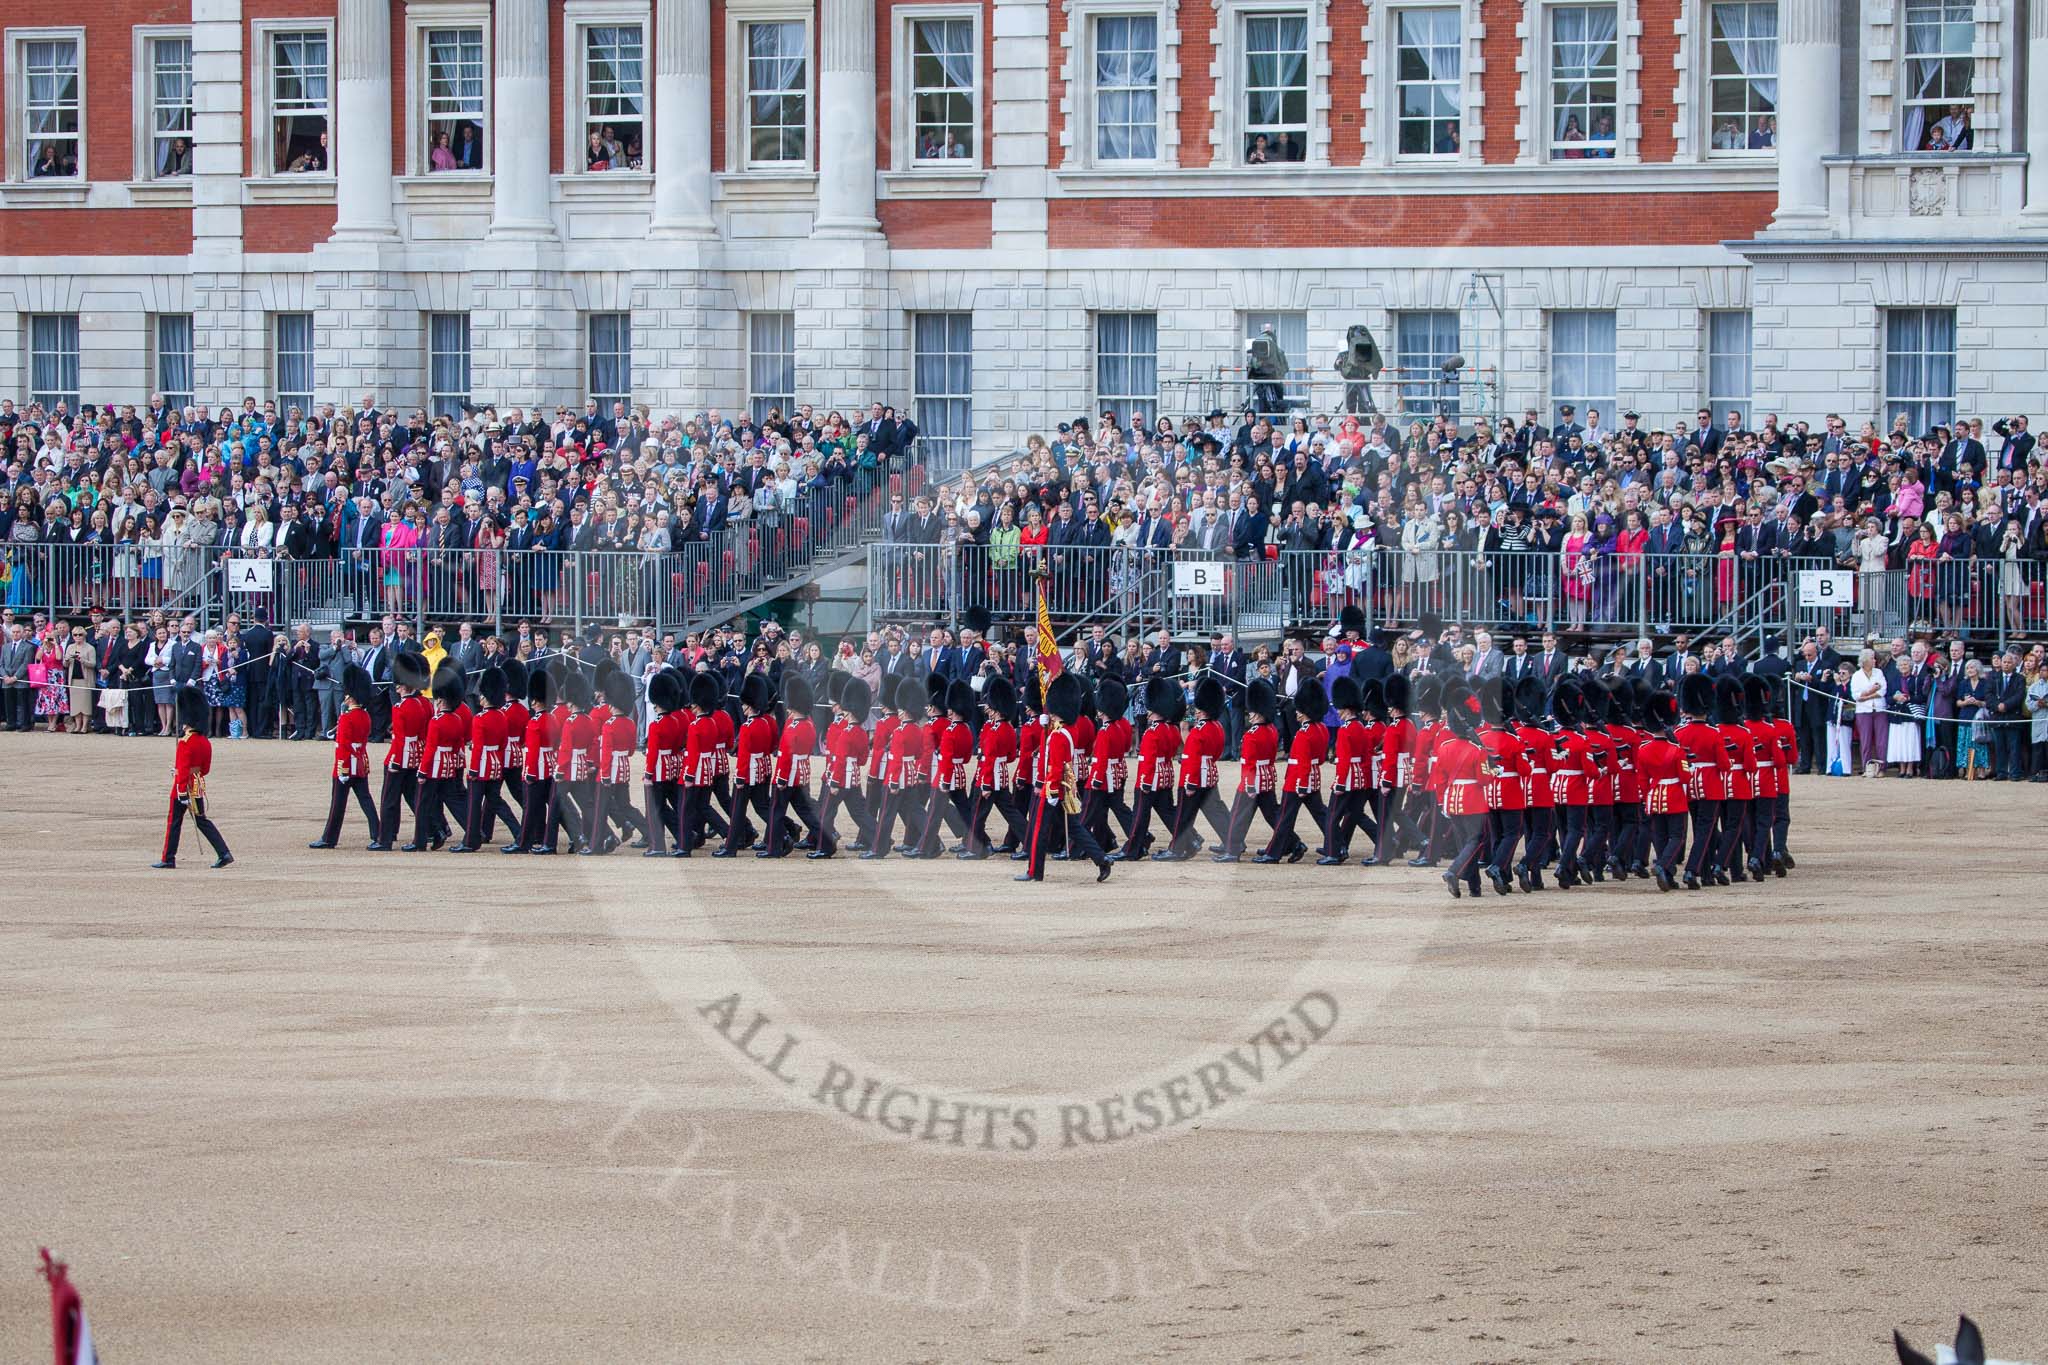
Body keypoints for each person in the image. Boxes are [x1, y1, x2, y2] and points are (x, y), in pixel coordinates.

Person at [1015, 671, 1112, 883]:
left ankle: (1034, 871)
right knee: (1075, 828)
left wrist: (1048, 790)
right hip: (1062, 787)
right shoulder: (1068, 728)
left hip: (1054, 788)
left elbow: (1055, 765)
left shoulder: (1058, 735)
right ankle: (1101, 859)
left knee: (1039, 830)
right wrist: (1045, 727)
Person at [153, 684, 233, 870]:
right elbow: (204, 769)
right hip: (197, 783)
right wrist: (188, 773)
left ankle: (168, 858)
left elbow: (182, 768)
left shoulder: (185, 742)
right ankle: (223, 852)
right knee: (201, 820)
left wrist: (181, 786)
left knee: (174, 821)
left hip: (183, 787)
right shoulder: (204, 742)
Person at [308, 663, 379, 848]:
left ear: (350, 696)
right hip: (360, 763)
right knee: (366, 799)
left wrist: (343, 768)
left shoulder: (347, 718)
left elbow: (343, 746)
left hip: (346, 765)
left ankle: (329, 838)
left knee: (337, 804)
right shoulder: (365, 716)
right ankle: (378, 832)